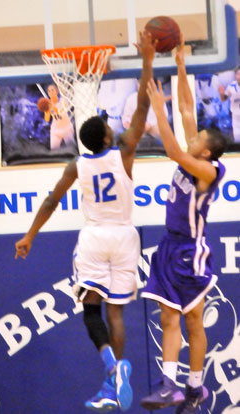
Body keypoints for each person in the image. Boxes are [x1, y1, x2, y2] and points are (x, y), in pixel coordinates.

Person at [15, 30, 156, 413]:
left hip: (94, 238)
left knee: (91, 310)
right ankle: (117, 380)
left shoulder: (77, 165)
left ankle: (111, 368)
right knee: (117, 312)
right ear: (108, 136)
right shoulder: (124, 152)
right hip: (125, 237)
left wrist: (29, 235)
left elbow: (50, 201)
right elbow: (142, 104)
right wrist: (147, 60)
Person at [140, 35, 227, 413]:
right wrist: (180, 67)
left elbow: (174, 147)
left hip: (190, 251)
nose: (192, 136)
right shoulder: (199, 153)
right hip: (170, 246)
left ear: (205, 152)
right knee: (167, 316)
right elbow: (189, 109)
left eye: (198, 138)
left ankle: (192, 389)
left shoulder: (206, 170)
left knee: (192, 321)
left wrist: (158, 108)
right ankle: (171, 386)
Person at [44, 84, 76, 150]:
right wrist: (47, 111)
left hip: (66, 128)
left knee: (73, 149)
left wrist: (53, 107)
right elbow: (47, 119)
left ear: (56, 91)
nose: (50, 92)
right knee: (54, 151)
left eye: (52, 90)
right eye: (49, 91)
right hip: (55, 129)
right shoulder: (48, 104)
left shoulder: (63, 101)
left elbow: (60, 113)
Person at [218, 66, 240, 142]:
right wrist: (221, 94)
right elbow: (224, 99)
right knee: (237, 135)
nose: (239, 76)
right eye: (238, 74)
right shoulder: (231, 86)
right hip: (235, 114)